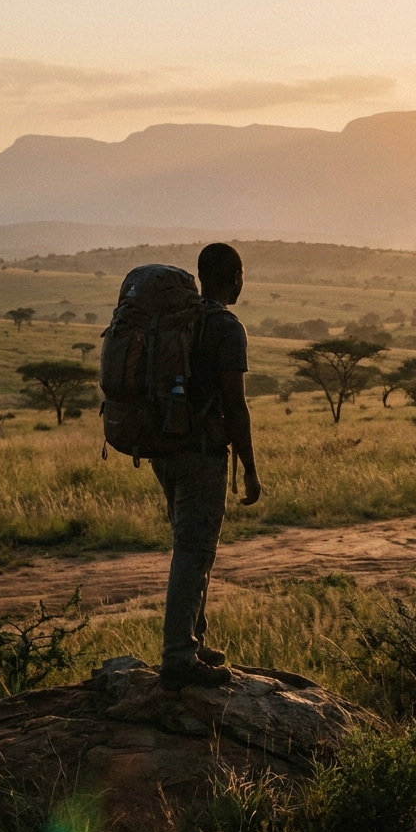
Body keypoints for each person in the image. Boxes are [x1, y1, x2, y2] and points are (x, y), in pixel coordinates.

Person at [153, 242, 261, 691]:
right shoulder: (226, 329)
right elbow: (235, 406)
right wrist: (250, 470)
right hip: (200, 454)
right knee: (194, 552)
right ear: (233, 275)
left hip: (165, 447)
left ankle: (194, 641)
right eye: (240, 274)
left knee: (191, 545)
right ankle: (179, 656)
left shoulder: (180, 320)